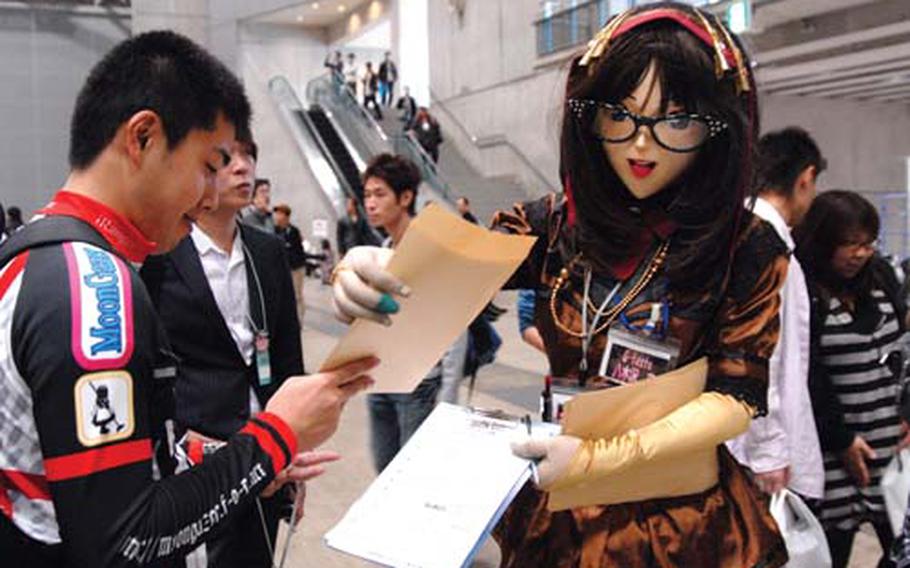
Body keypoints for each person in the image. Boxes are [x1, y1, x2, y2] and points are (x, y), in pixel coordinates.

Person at [330, 3, 790, 566]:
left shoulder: (745, 245)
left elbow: (735, 395)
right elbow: (452, 267)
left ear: (718, 130)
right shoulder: (553, 225)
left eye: (676, 122)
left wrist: (603, 459)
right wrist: (366, 266)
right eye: (618, 115)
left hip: (679, 520)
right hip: (560, 501)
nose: (640, 145)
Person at [0, 31, 377, 567]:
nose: (210, 193)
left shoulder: (38, 251)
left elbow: (104, 461)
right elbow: (124, 540)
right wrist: (273, 438)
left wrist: (230, 460)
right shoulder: (94, 288)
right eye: (208, 165)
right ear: (144, 137)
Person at [140, 136, 316, 567]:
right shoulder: (161, 256)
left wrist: (293, 444)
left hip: (269, 451)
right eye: (228, 159)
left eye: (249, 157)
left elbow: (289, 360)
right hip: (198, 456)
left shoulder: (267, 251)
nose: (243, 168)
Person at [795, 190, 910, 568]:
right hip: (834, 457)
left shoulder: (880, 280)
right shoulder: (806, 289)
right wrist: (841, 439)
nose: (860, 254)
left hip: (890, 449)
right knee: (829, 556)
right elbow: (805, 374)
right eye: (849, 244)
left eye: (867, 243)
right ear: (823, 241)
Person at [726, 127, 827, 503]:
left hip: (745, 438)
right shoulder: (763, 243)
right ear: (806, 178)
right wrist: (769, 449)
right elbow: (758, 353)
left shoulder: (746, 233)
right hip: (754, 451)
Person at [352, 153, 465, 469]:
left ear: (405, 197)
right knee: (384, 472)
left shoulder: (431, 251)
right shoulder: (384, 250)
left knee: (413, 475)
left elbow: (454, 323)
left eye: (379, 194)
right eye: (367, 195)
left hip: (419, 383)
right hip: (381, 380)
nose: (370, 204)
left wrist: (448, 399)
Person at [273, 203, 307, 325]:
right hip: (281, 269)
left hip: (296, 268)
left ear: (286, 216)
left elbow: (299, 250)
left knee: (297, 295)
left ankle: (298, 321)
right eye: (276, 213)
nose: (276, 216)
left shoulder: (294, 231)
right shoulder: (274, 230)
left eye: (279, 213)